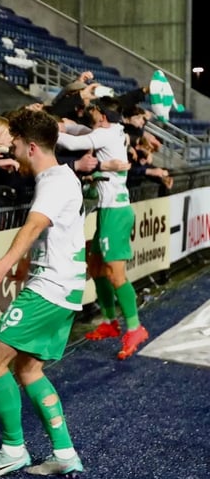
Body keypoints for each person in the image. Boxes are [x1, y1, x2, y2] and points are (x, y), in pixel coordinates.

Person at [0, 108, 85, 478]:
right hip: (64, 288)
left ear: (32, 146)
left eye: (17, 146)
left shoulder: (54, 182)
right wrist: (24, 264)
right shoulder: (62, 176)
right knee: (29, 368)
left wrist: (6, 262)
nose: (14, 153)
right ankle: (65, 453)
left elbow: (36, 223)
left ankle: (12, 449)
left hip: (49, 288)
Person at [56, 97, 148, 359]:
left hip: (115, 212)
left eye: (95, 114)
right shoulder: (114, 131)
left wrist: (51, 132)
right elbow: (82, 132)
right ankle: (110, 321)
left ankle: (135, 327)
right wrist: (69, 126)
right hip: (109, 210)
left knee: (115, 274)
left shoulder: (106, 134)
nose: (91, 117)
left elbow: (77, 142)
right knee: (96, 267)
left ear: (104, 117)